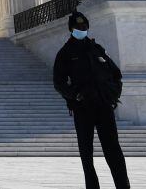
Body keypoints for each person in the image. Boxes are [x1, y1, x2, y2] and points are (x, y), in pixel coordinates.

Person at [53, 11, 130, 189]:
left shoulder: (97, 49)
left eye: (84, 27)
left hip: (104, 105)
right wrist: (75, 95)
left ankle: (123, 186)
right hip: (83, 107)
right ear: (71, 29)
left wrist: (113, 95)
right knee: (86, 153)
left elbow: (116, 74)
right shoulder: (65, 53)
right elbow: (59, 82)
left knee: (113, 149)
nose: (82, 29)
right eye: (79, 27)